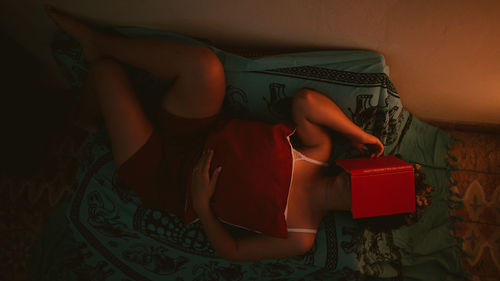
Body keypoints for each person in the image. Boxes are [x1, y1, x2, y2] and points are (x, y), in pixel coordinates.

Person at [45, 5, 431, 262]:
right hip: (197, 131)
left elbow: (231, 250)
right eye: (379, 176)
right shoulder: (320, 149)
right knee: (205, 67)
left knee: (105, 76)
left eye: (374, 193)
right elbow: (307, 102)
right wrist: (358, 135)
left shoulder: (301, 235)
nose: (358, 183)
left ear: (367, 214)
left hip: (169, 179)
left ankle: (85, 120)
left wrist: (201, 205)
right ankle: (98, 43)